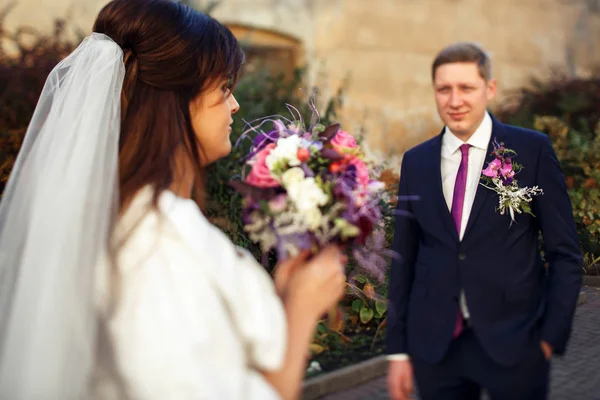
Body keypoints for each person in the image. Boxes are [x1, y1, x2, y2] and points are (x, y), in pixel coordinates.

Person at [0, 1, 346, 399]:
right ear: (177, 100)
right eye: (223, 88)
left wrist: (286, 296)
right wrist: (302, 312)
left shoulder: (132, 217)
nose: (235, 105)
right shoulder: (155, 247)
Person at [385, 42, 582, 400]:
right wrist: (399, 351)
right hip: (437, 350)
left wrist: (549, 338)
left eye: (466, 88)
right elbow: (405, 259)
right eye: (444, 89)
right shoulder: (416, 161)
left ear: (489, 89)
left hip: (517, 346)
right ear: (434, 92)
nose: (454, 100)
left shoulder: (531, 151)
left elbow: (565, 253)